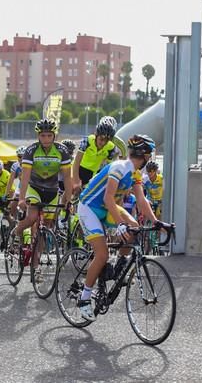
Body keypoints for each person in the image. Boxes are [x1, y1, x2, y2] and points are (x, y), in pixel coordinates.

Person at [76, 134, 162, 321]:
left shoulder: (136, 174)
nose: (150, 158)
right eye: (150, 155)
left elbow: (141, 200)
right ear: (145, 155)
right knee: (102, 254)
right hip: (90, 208)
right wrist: (120, 224)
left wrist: (156, 222)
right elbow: (108, 198)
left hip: (108, 208)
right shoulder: (119, 167)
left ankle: (119, 266)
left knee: (134, 228)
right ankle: (84, 298)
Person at [16, 118, 73, 280]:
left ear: (54, 136)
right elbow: (25, 177)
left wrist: (68, 200)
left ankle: (36, 263)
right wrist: (21, 199)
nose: (46, 139)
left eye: (49, 135)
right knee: (33, 217)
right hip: (34, 188)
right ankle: (17, 231)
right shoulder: (31, 150)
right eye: (43, 136)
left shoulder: (62, 151)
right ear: (38, 136)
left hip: (52, 191)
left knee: (44, 230)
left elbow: (67, 178)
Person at [72, 116, 120, 189]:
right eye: (101, 139)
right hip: (79, 169)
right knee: (70, 192)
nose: (103, 142)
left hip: (93, 173)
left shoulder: (111, 147)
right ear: (96, 135)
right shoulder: (87, 140)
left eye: (106, 140)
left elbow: (107, 167)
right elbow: (76, 161)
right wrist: (76, 180)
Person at [4, 146, 26, 217]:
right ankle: (16, 222)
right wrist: (6, 193)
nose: (22, 158)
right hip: (20, 188)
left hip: (30, 188)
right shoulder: (15, 165)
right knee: (12, 208)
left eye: (24, 156)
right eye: (19, 156)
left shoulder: (31, 164)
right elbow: (10, 181)